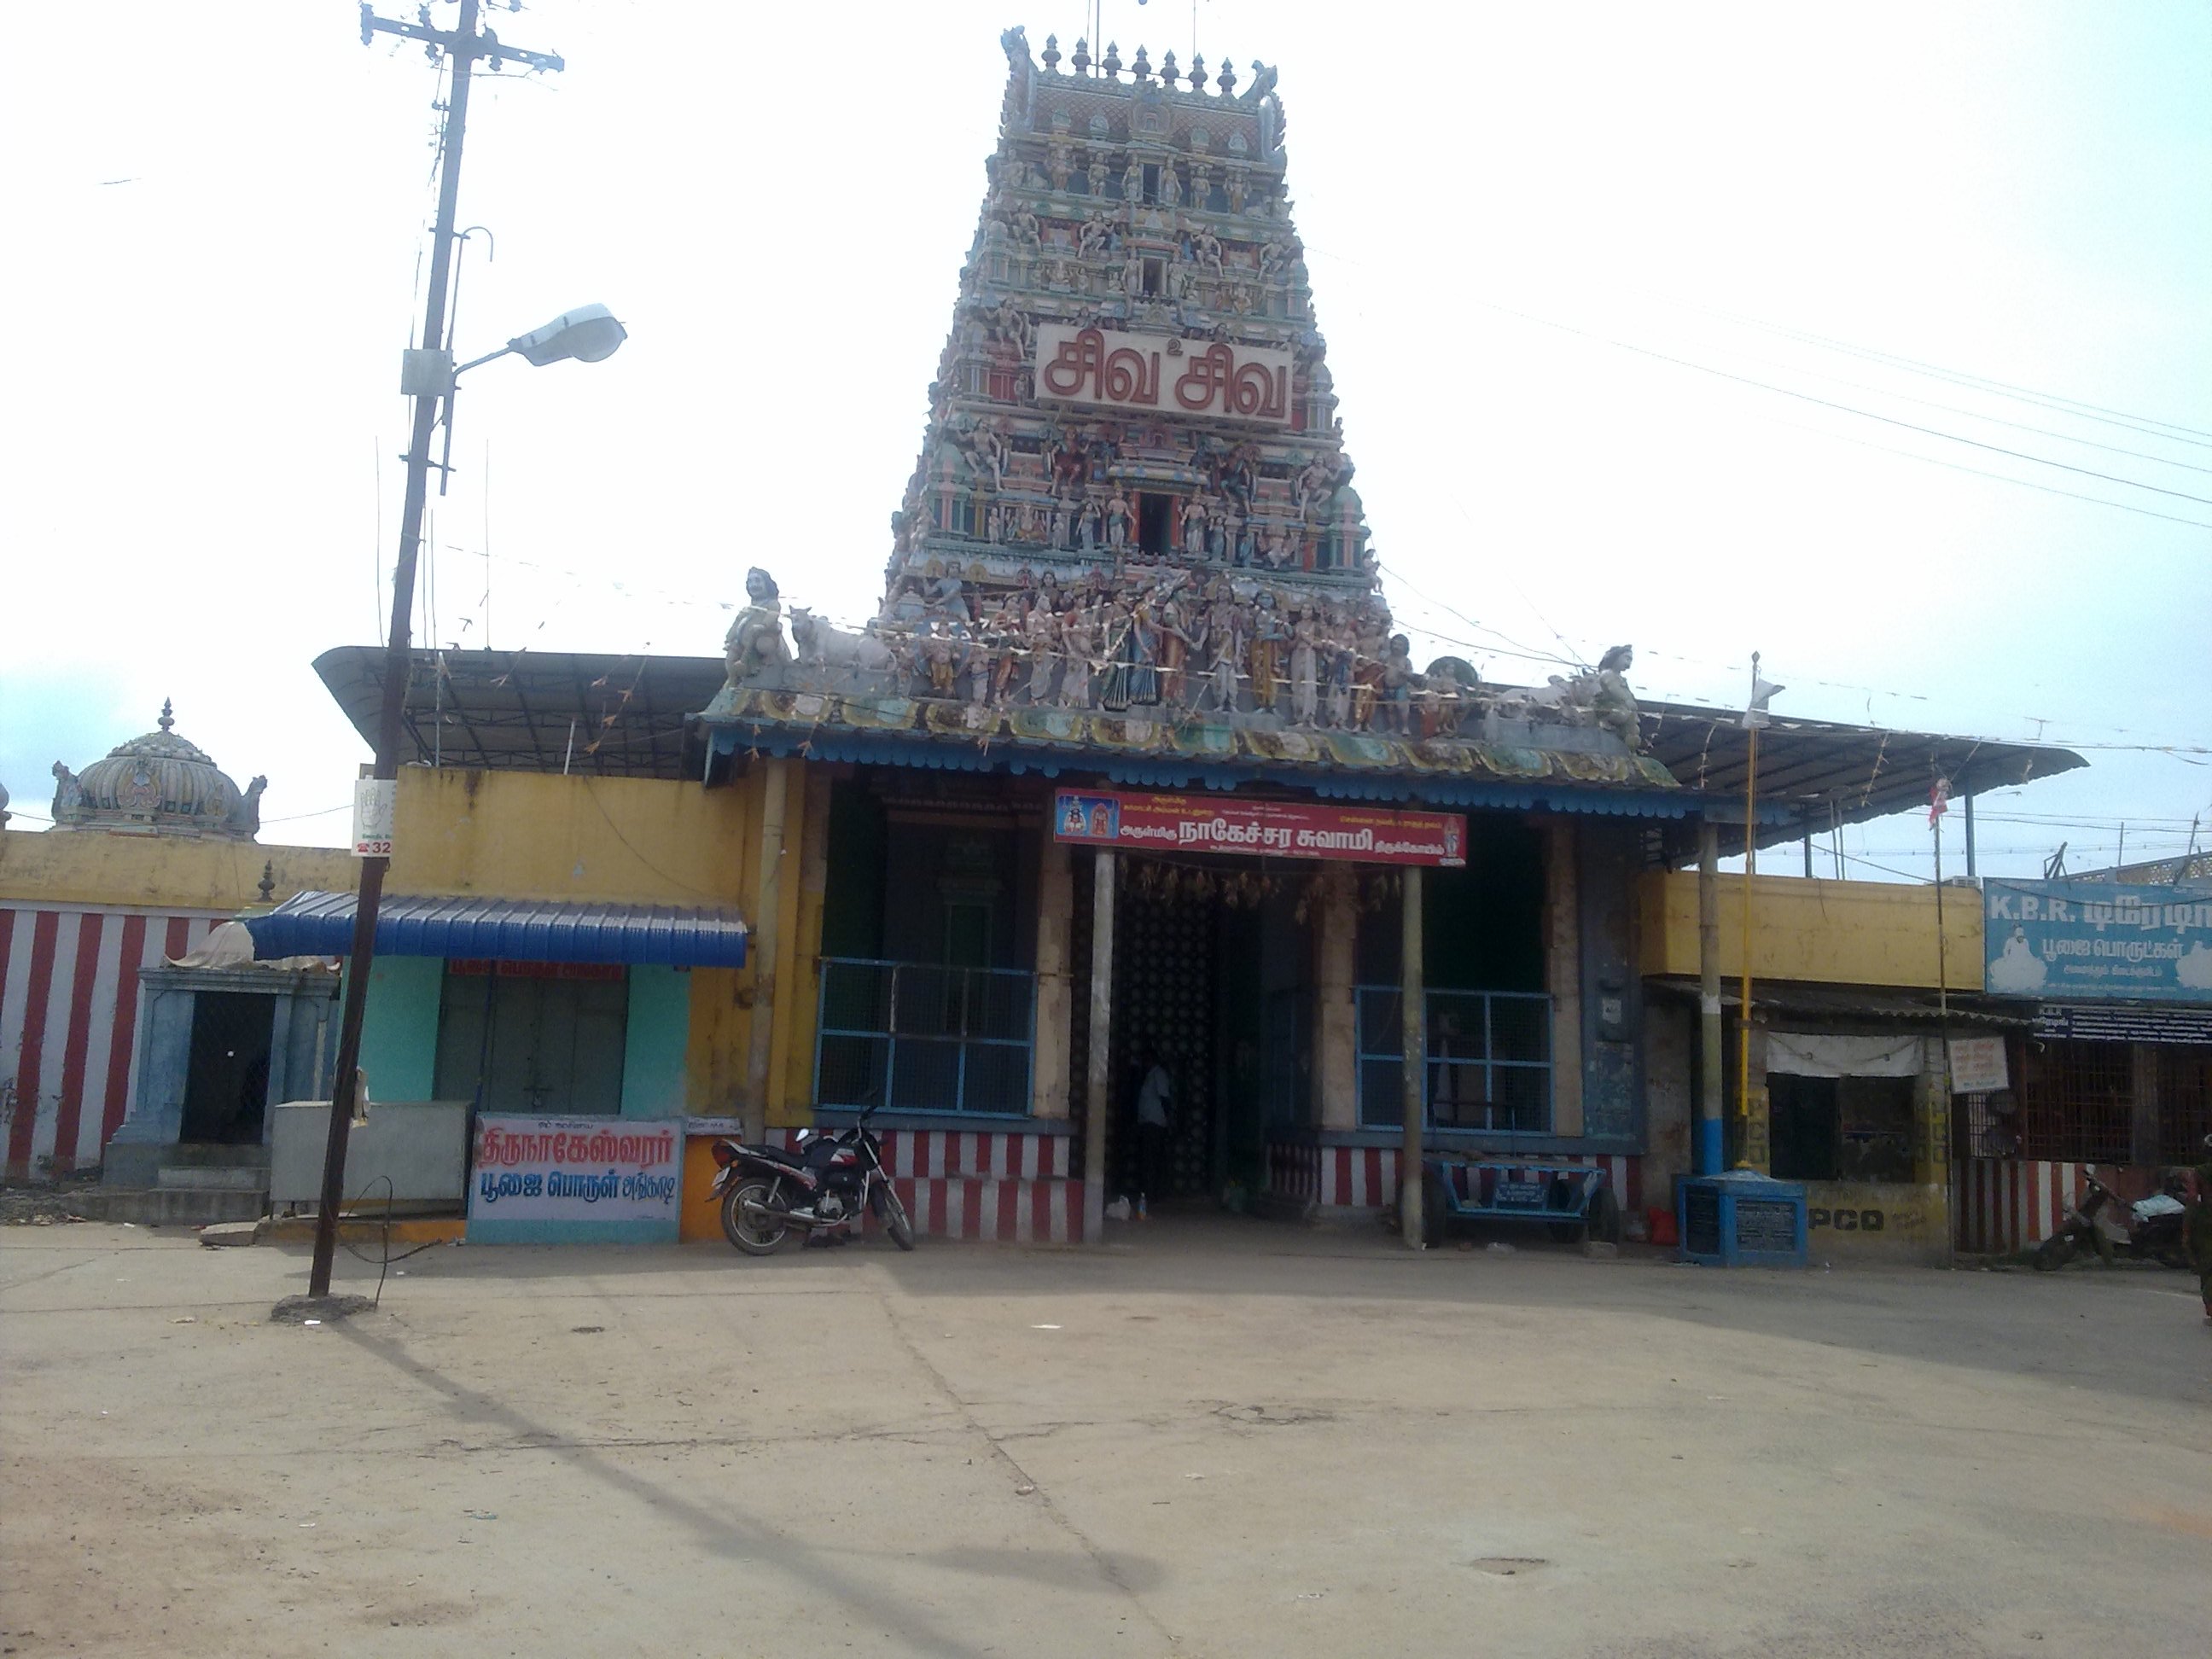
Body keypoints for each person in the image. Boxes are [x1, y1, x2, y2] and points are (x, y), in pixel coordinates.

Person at [1134, 1056, 1173, 1208]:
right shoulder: (1149, 1076)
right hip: (1148, 1122)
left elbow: (1165, 1098)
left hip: (1155, 1123)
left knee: (1153, 1159)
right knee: (1147, 1159)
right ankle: (1149, 1193)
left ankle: (1155, 1194)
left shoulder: (1158, 1075)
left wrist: (1168, 1119)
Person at [2188, 1132, 2212, 1326]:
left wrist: (2186, 1229)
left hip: (2206, 1221)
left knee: (2207, 1265)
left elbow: (2193, 1200)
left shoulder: (2199, 1172)